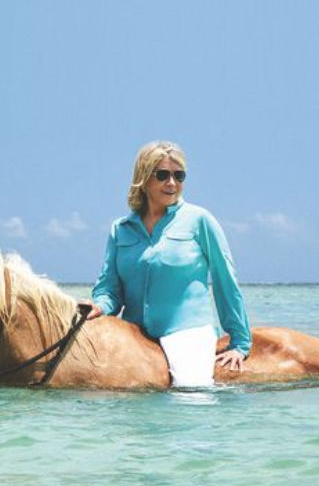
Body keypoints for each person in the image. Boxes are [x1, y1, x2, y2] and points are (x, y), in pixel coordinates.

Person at [82, 140, 252, 387]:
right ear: (144, 178)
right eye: (162, 175)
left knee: (190, 394)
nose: (172, 183)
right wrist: (99, 306)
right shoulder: (120, 229)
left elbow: (226, 280)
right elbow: (110, 288)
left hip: (187, 333)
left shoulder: (199, 220)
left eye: (178, 176)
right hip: (133, 334)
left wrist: (239, 342)